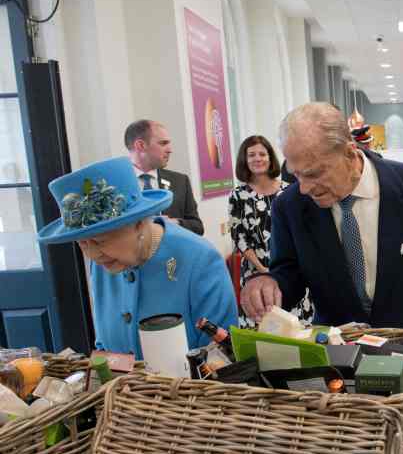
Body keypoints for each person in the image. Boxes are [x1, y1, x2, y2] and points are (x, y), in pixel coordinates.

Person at [240, 103, 403, 328]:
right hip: (338, 347)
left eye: (314, 173)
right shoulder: (289, 206)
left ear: (349, 153)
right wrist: (268, 284)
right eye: (296, 174)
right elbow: (289, 275)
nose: (304, 188)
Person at [37, 157, 237, 358]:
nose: (92, 254)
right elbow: (105, 343)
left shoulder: (200, 260)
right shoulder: (104, 263)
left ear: (140, 223)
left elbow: (222, 357)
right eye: (82, 243)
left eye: (100, 241)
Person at [229, 135, 314, 328]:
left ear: (270, 158)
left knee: (296, 328)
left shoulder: (290, 190)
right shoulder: (237, 195)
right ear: (244, 160)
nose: (257, 159)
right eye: (251, 155)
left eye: (262, 154)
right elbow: (239, 237)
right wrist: (264, 271)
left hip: (291, 271)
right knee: (264, 326)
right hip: (255, 273)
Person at [124, 119, 204, 235]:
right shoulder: (116, 186)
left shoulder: (180, 181)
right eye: (163, 143)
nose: (170, 150)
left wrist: (176, 223)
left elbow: (198, 227)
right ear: (141, 145)